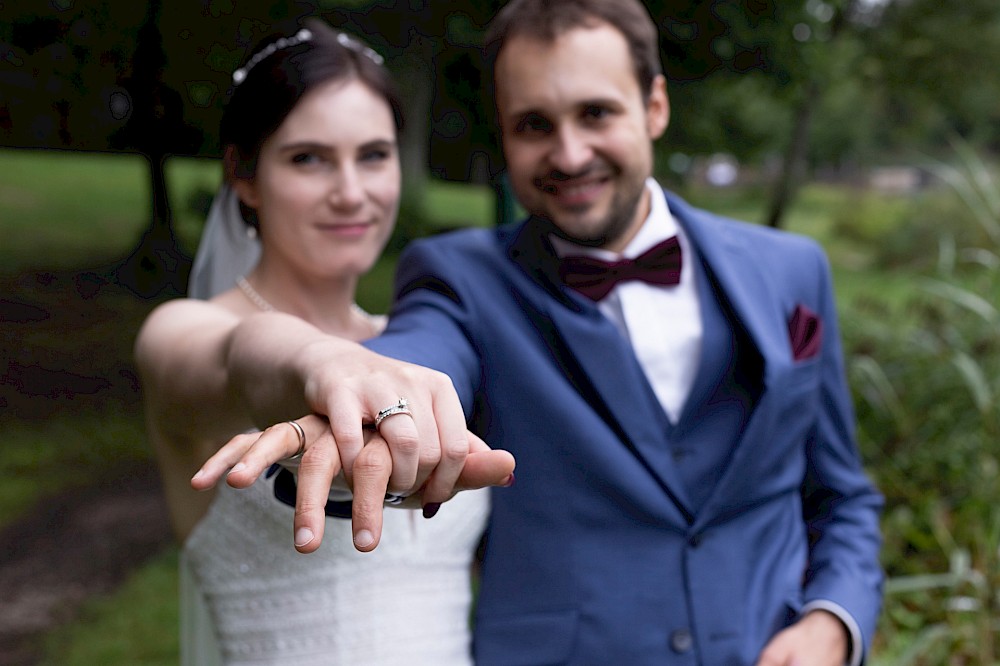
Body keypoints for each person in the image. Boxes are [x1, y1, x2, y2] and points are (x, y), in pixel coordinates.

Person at [194, 1, 884, 664]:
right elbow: (416, 355)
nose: (570, 152)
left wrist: (834, 620)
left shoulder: (794, 270)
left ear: (655, 106)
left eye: (595, 113)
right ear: (503, 134)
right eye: (533, 125)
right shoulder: (459, 276)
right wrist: (360, 405)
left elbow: (842, 495)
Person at [134, 19, 513, 665]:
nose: (350, 192)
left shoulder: (426, 352)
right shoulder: (183, 332)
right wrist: (326, 359)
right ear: (245, 175)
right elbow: (245, 359)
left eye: (373, 155)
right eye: (307, 158)